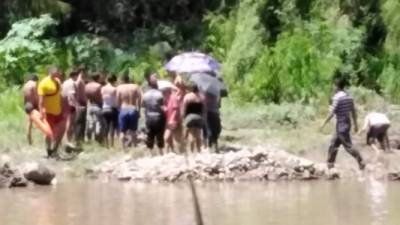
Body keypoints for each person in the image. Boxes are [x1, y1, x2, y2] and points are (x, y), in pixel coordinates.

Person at [320, 77, 365, 170]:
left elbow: (332, 112)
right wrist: (356, 125)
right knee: (334, 143)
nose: (333, 88)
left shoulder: (337, 97)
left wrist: (324, 123)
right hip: (346, 123)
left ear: (336, 86)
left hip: (341, 123)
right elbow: (353, 112)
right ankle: (330, 164)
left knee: (348, 146)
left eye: (334, 86)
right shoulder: (349, 97)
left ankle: (361, 161)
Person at [37, 67, 65, 158]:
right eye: (57, 71)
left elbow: (59, 95)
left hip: (58, 110)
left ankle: (55, 149)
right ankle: (49, 150)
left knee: (62, 129)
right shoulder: (43, 83)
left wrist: (62, 106)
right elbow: (40, 100)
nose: (58, 73)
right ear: (51, 72)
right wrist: (41, 111)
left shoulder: (58, 81)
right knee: (49, 132)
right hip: (48, 112)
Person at [143, 73, 166, 154]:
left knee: (150, 135)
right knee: (160, 135)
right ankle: (161, 152)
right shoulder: (160, 94)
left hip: (149, 117)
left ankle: (150, 154)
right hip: (158, 117)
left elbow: (144, 107)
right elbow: (163, 107)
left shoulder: (145, 95)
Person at [116, 75, 142, 148]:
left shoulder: (119, 87)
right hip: (133, 109)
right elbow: (140, 99)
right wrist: (139, 110)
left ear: (122, 80)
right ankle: (134, 147)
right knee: (133, 131)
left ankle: (123, 148)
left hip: (123, 109)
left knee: (122, 131)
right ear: (129, 79)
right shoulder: (135, 86)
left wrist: (119, 111)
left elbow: (118, 102)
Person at [182, 82, 206, 153]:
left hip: (190, 116)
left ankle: (191, 152)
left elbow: (184, 108)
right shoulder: (202, 97)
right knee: (198, 135)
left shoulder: (187, 96)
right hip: (199, 116)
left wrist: (183, 117)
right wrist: (203, 117)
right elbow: (204, 108)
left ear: (191, 88)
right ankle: (199, 151)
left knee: (191, 135)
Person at [164, 76, 185, 153]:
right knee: (171, 138)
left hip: (173, 121)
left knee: (168, 138)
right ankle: (173, 152)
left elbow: (175, 109)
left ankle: (168, 154)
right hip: (169, 121)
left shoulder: (173, 97)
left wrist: (172, 120)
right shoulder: (166, 99)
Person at [85, 73, 104, 143]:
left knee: (90, 123)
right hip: (98, 105)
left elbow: (85, 97)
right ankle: (98, 139)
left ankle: (88, 139)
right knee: (98, 122)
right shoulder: (99, 86)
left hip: (90, 105)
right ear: (98, 78)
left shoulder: (87, 86)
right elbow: (101, 97)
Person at [62, 70, 79, 145]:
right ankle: (68, 140)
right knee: (70, 123)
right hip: (71, 105)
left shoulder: (65, 82)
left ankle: (67, 139)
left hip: (64, 104)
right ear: (74, 75)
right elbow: (71, 95)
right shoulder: (72, 83)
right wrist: (76, 105)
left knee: (66, 122)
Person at [101, 75, 118, 148]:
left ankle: (106, 144)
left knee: (106, 127)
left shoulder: (103, 88)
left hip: (104, 108)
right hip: (112, 109)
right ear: (114, 81)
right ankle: (112, 144)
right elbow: (116, 100)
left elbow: (102, 98)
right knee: (112, 127)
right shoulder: (114, 89)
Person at [22, 74, 39, 145]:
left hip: (27, 104)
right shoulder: (34, 84)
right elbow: (36, 95)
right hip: (33, 104)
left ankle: (29, 140)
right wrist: (38, 105)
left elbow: (24, 97)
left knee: (29, 123)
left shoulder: (25, 85)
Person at [74, 67, 87, 144]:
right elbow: (78, 94)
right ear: (82, 72)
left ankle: (80, 139)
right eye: (84, 72)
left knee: (82, 123)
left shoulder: (79, 81)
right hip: (81, 103)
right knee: (80, 123)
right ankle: (78, 139)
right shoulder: (79, 81)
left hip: (81, 103)